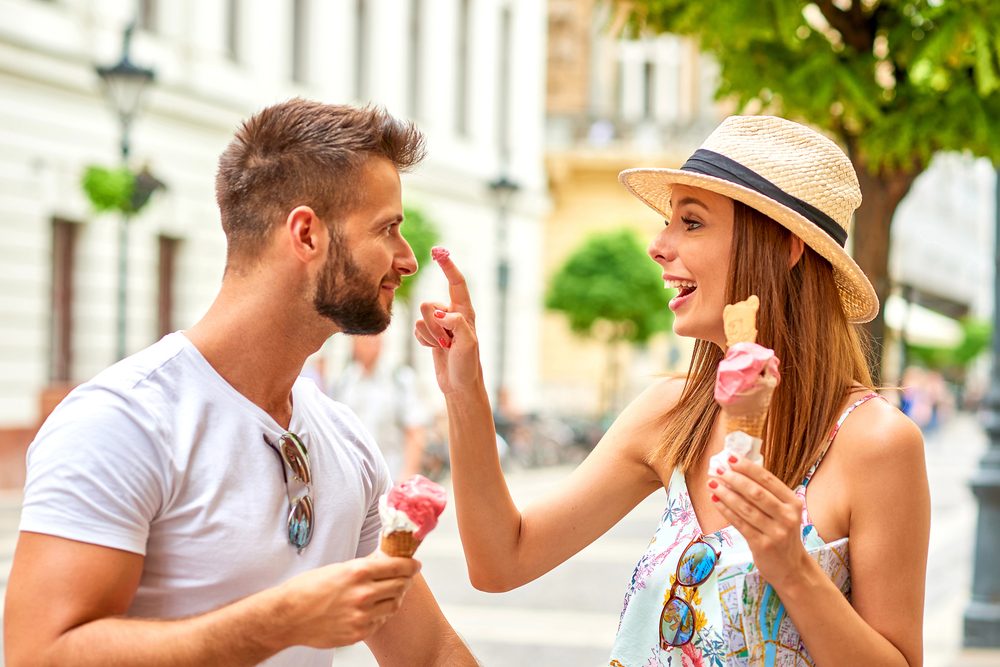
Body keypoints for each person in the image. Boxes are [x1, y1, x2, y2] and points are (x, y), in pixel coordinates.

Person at [415, 116, 929, 665]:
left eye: (692, 222)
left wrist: (794, 570)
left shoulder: (876, 443)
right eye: (668, 222)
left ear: (785, 247)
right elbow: (501, 560)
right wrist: (465, 391)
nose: (658, 247)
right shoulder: (673, 412)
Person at [4, 99, 476, 667]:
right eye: (388, 229)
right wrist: (279, 620)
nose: (406, 260)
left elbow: (427, 653)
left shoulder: (345, 440)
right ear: (306, 235)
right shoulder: (122, 421)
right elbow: (38, 653)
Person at [329, 333, 429, 480]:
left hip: (391, 481)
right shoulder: (344, 382)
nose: (369, 342)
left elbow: (415, 431)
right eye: (362, 337)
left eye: (373, 337)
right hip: (354, 481)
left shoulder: (400, 379)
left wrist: (408, 476)